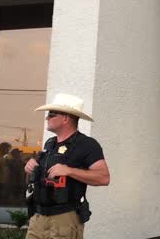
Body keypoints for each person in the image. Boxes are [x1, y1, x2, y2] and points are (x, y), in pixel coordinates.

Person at [24, 93, 110, 239]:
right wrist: (30, 168)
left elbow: (104, 178)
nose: (47, 118)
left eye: (51, 114)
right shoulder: (49, 144)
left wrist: (69, 171)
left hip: (64, 219)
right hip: (38, 218)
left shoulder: (87, 144)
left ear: (65, 118)